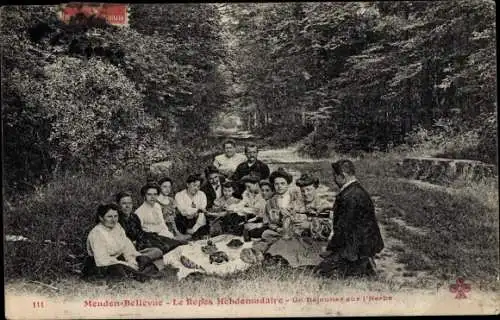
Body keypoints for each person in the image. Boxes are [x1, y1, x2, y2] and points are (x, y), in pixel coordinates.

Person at [316, 160, 384, 278]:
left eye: (334, 176)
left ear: (342, 176)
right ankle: (363, 265)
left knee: (320, 271)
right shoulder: (355, 190)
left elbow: (343, 229)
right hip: (361, 244)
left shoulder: (350, 196)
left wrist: (329, 249)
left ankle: (364, 266)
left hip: (357, 249)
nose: (333, 179)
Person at [264, 173, 334, 268]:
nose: (305, 193)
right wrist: (282, 215)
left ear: (315, 188)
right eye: (303, 191)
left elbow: (329, 231)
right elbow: (284, 216)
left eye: (309, 190)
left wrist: (309, 226)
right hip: (298, 239)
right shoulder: (296, 204)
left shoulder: (324, 206)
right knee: (279, 246)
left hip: (316, 242)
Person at [82, 204, 160, 282]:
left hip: (119, 259)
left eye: (116, 216)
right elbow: (102, 260)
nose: (113, 220)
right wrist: (126, 264)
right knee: (118, 269)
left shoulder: (118, 227)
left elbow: (126, 247)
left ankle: (140, 274)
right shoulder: (97, 233)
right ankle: (141, 275)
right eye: (109, 217)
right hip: (102, 264)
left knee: (142, 259)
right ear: (101, 218)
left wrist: (131, 261)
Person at [133, 183, 187, 253]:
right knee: (172, 248)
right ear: (144, 196)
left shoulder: (157, 206)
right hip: (150, 239)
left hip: (163, 235)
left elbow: (162, 224)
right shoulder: (139, 212)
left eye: (155, 194)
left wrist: (170, 236)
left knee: (181, 245)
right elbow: (139, 233)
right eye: (149, 194)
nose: (152, 197)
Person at [257, 168, 303, 248]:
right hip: (279, 232)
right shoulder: (270, 203)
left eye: (282, 183)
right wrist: (278, 229)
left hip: (296, 231)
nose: (279, 186)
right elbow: (269, 222)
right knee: (265, 234)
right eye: (276, 184)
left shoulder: (296, 198)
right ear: (273, 185)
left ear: (288, 184)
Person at [116, 191, 164, 263]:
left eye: (129, 203)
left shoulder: (134, 217)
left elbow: (140, 233)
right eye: (124, 203)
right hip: (127, 249)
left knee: (158, 250)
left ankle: (140, 258)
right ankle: (137, 259)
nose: (127, 206)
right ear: (118, 205)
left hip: (139, 246)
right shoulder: (116, 220)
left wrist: (141, 242)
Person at [174, 174, 209, 239]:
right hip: (184, 222)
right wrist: (197, 210)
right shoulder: (179, 195)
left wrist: (194, 229)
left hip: (198, 224)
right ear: (187, 184)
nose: (196, 188)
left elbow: (202, 213)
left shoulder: (202, 195)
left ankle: (194, 234)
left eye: (198, 186)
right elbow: (183, 212)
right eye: (194, 185)